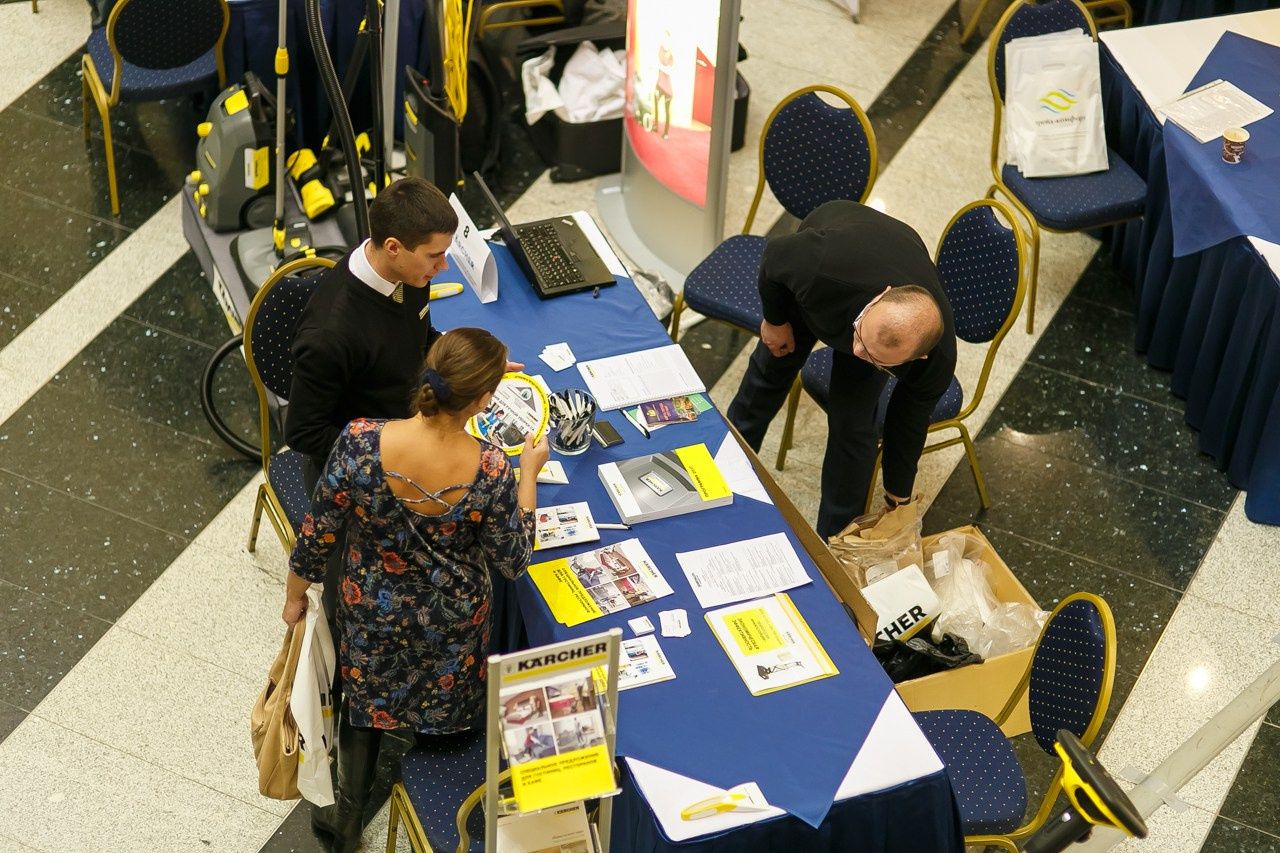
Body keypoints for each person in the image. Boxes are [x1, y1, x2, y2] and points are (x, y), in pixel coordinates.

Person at [283, 328, 549, 853]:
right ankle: (432, 757)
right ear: (483, 399)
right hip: (452, 629)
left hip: (371, 617)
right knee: (443, 709)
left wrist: (294, 597)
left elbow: (316, 535)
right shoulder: (493, 468)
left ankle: (347, 819)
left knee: (362, 710)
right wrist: (529, 477)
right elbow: (514, 559)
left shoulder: (359, 442)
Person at [726, 200, 956, 539]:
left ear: (914, 359)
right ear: (883, 296)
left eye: (874, 357)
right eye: (859, 340)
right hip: (828, 288)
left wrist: (897, 494)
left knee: (855, 421)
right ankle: (725, 473)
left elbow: (907, 423)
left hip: (876, 314)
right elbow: (776, 257)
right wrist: (775, 321)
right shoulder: (821, 266)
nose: (853, 351)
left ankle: (834, 541)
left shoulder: (934, 361)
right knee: (770, 371)